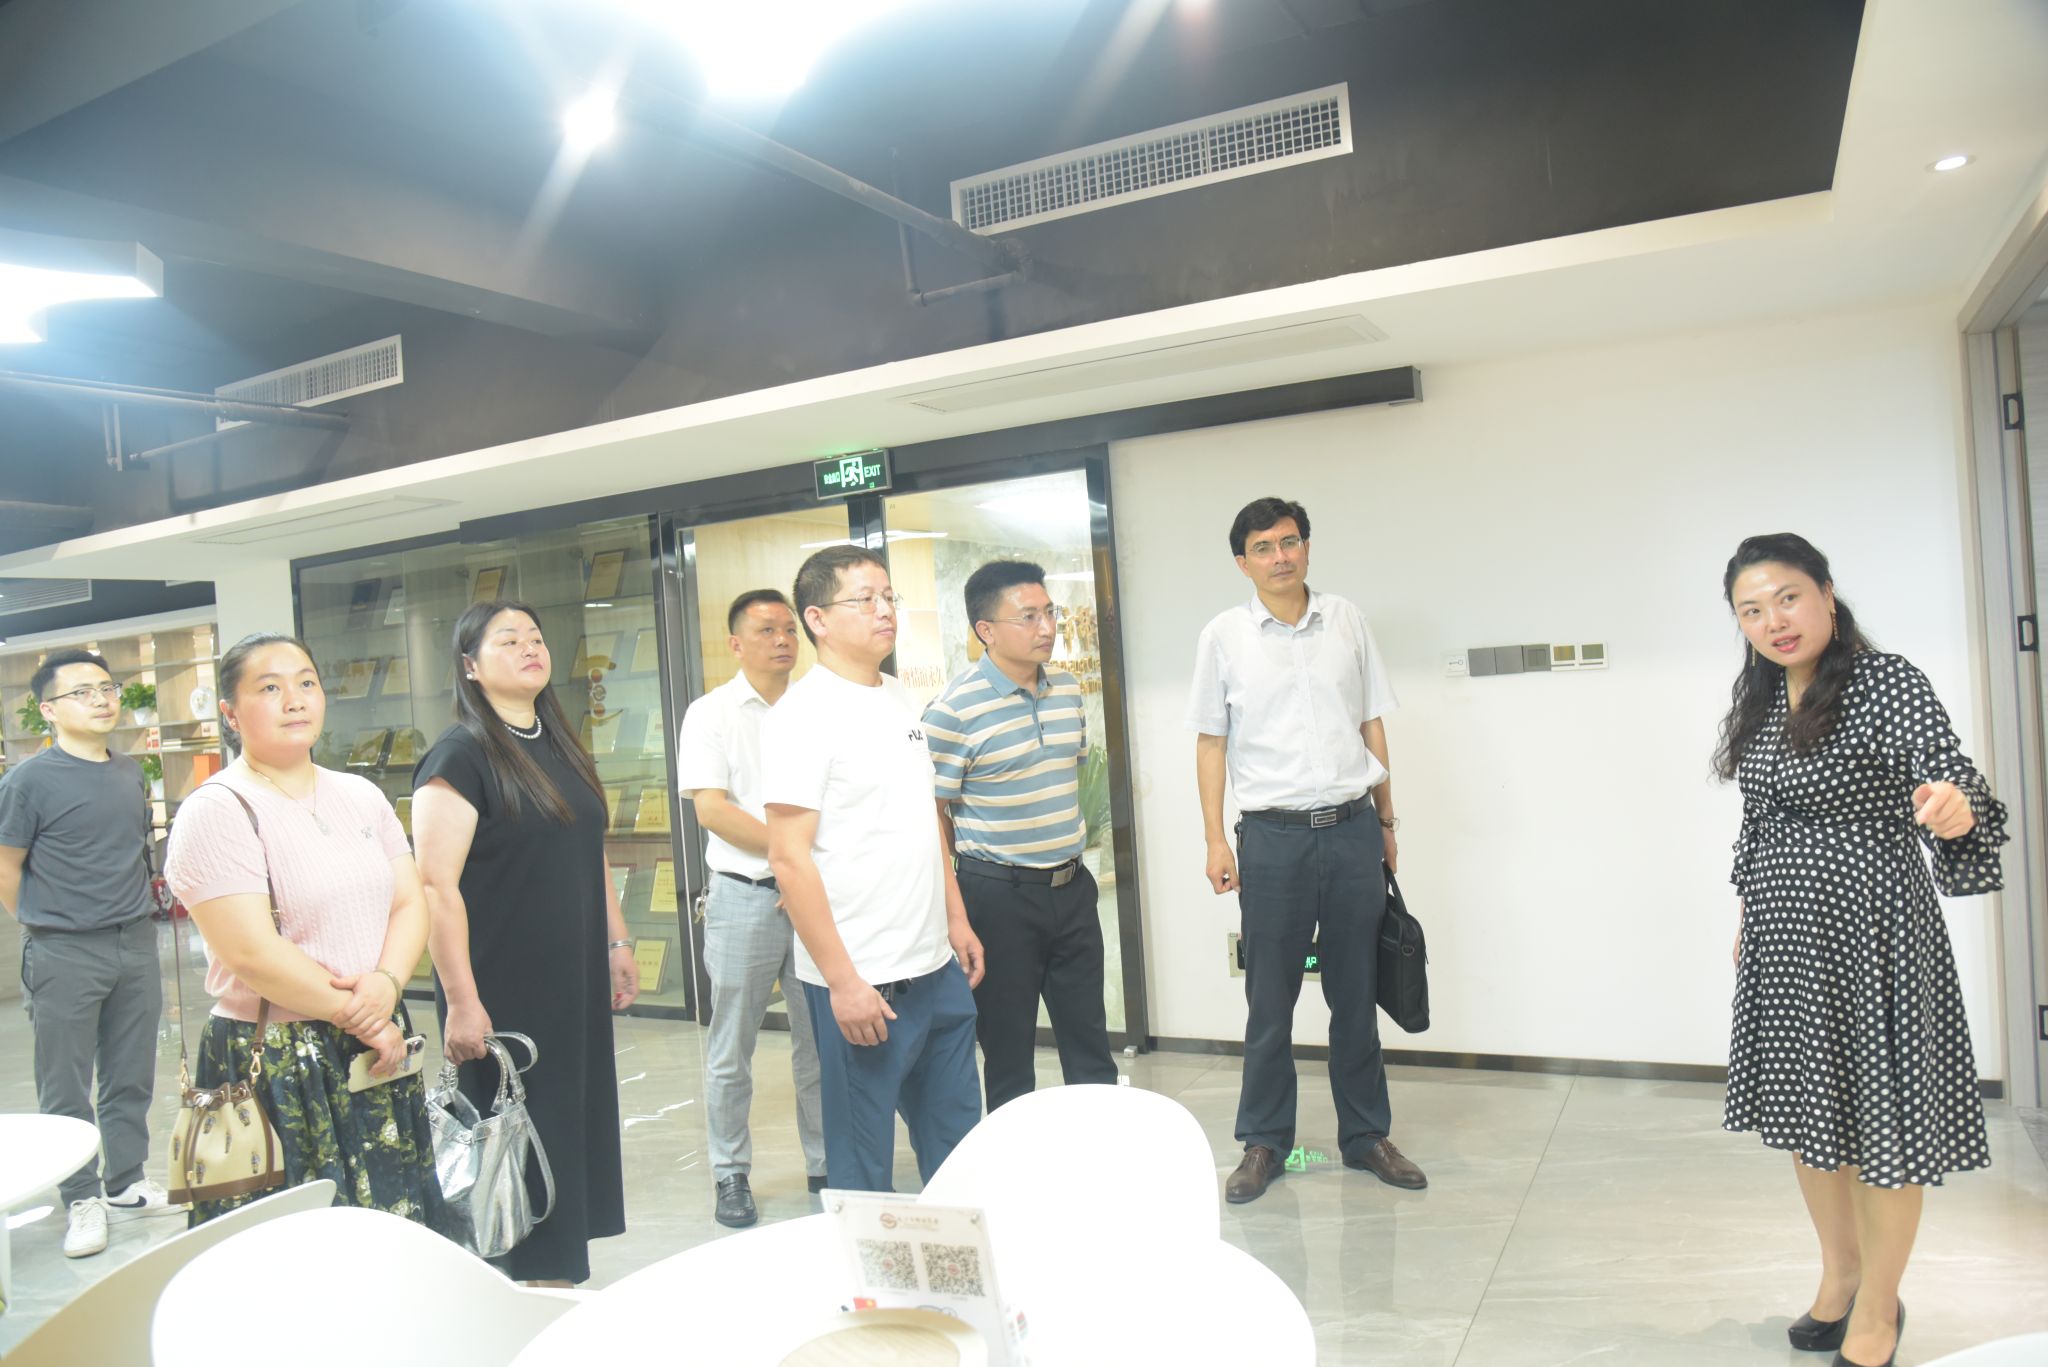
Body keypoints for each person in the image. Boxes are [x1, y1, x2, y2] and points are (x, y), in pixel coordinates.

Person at [1718, 534, 2004, 1367]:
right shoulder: (1763, 695)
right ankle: (1841, 1274)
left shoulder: (1885, 682)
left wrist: (1954, 804)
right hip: (1785, 933)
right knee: (1811, 1113)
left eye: (1788, 597)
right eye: (1752, 609)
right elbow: (1759, 816)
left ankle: (1880, 1306)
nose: (1775, 620)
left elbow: (1946, 769)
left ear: (1827, 593)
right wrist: (1749, 911)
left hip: (1873, 932)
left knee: (1884, 1120)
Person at [1188, 496, 1426, 1204]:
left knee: (1357, 994)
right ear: (1243, 562)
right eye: (1263, 547)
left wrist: (1386, 820)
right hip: (1272, 838)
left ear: (1307, 547)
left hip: (1352, 830)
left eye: (1289, 541)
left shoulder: (1346, 620)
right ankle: (1264, 1142)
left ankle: (1367, 1136)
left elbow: (1371, 722)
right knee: (1270, 1000)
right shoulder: (1223, 636)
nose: (1280, 556)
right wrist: (1214, 837)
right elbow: (1210, 741)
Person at [161, 633, 437, 1228]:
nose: (295, 699)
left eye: (306, 682)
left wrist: (388, 984)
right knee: (307, 1239)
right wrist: (367, 1018)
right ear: (231, 713)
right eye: (270, 688)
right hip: (281, 1055)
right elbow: (250, 952)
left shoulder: (360, 795)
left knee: (392, 1224)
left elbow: (409, 900)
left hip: (376, 1037)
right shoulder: (217, 809)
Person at [412, 599, 633, 1285]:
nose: (530, 647)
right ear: (470, 667)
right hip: (505, 984)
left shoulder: (557, 741)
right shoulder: (459, 756)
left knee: (565, 1127)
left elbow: (588, 847)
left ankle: (553, 1279)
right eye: (507, 640)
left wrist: (616, 942)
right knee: (518, 1136)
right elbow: (435, 888)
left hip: (572, 980)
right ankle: (527, 1284)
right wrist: (461, 1001)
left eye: (535, 637)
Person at [763, 546, 985, 1193]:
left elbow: (924, 819)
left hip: (934, 966)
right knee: (863, 1169)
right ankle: (865, 1267)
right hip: (863, 981)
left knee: (959, 1148)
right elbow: (788, 856)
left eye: (889, 596)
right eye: (865, 599)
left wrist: (956, 918)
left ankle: (959, 1258)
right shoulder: (800, 716)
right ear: (817, 619)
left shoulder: (895, 694)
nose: (885, 610)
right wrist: (842, 983)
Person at [0, 649, 180, 1258]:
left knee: (130, 1073)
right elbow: (7, 867)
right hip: (63, 950)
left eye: (107, 688)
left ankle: (125, 1182)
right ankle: (80, 1196)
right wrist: (44, 923)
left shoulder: (130, 771)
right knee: (66, 1083)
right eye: (82, 692)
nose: (102, 700)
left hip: (134, 941)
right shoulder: (27, 781)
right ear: (48, 710)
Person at [924, 560, 1116, 1112]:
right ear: (986, 630)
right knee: (1008, 1052)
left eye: (1050, 613)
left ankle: (1104, 1146)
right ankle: (1013, 1158)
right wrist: (956, 911)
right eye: (1028, 616)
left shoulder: (1067, 690)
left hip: (1072, 888)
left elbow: (1066, 775)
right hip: (997, 897)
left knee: (1090, 1043)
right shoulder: (953, 711)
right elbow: (931, 813)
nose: (1047, 627)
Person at [677, 588, 828, 1227]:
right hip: (746, 895)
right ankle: (730, 1174)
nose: (783, 640)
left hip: (815, 896)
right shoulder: (711, 713)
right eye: (767, 630)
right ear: (736, 643)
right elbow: (712, 810)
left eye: (789, 628)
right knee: (731, 1046)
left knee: (819, 1042)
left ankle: (827, 1164)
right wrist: (789, 852)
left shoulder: (817, 706)